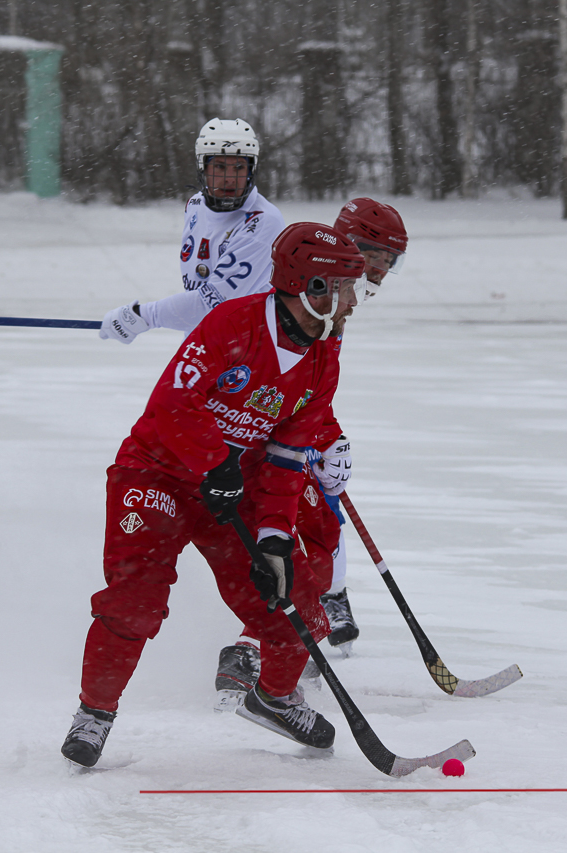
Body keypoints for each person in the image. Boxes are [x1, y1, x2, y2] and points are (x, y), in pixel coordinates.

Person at [61, 223, 367, 768]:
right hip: (156, 475)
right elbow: (173, 404)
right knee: (136, 603)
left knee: (294, 606)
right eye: (342, 290)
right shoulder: (233, 323)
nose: (350, 304)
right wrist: (214, 460)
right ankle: (95, 712)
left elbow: (289, 455)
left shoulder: (324, 359)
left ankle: (272, 698)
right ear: (310, 287)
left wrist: (274, 534)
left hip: (233, 493)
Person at [213, 198, 410, 710]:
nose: (385, 271)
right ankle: (251, 649)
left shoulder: (336, 294)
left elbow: (311, 387)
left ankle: (304, 619)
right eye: (381, 257)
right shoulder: (311, 291)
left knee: (319, 529)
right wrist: (320, 440)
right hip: (250, 444)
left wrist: (328, 436)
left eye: (393, 260)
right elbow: (279, 383)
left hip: (284, 433)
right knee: (298, 539)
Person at [97, 117, 285, 343]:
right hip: (204, 344)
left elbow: (215, 303)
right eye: (219, 167)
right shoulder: (195, 206)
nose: (229, 179)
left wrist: (144, 316)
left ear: (251, 170)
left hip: (249, 349)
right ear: (203, 168)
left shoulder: (263, 220)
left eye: (238, 167)